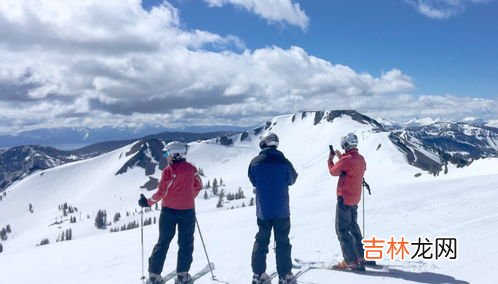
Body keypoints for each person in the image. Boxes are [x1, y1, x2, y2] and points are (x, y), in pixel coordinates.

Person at [139, 141, 202, 284]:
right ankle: (183, 275)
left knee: (163, 242)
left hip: (168, 212)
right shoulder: (191, 169)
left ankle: (154, 276)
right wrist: (188, 197)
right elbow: (198, 185)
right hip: (187, 211)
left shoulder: (169, 171)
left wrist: (147, 202)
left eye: (167, 153)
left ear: (175, 154)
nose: (166, 156)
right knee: (186, 243)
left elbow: (162, 192)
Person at [248, 132, 299, 284]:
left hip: (263, 210)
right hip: (282, 209)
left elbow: (253, 180)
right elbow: (292, 179)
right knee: (282, 241)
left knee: (261, 240)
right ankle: (285, 275)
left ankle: (258, 274)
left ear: (263, 143)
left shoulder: (255, 162)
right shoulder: (284, 161)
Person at [328, 133, 367, 271]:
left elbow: (333, 171)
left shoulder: (346, 160)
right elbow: (351, 168)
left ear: (345, 145)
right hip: (355, 198)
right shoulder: (361, 159)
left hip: (344, 198)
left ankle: (350, 260)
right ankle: (360, 257)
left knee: (342, 229)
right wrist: (341, 158)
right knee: (353, 227)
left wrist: (331, 159)